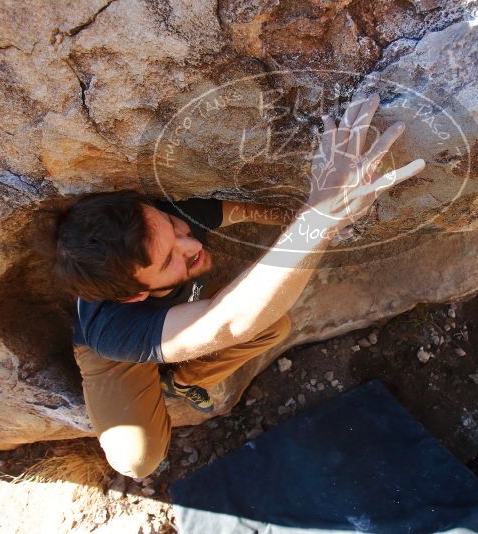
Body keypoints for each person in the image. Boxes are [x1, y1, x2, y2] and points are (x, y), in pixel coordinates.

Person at [50, 93, 425, 478]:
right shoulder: (112, 333)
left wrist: (305, 209)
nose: (192, 244)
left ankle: (182, 380)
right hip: (124, 357)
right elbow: (224, 321)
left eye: (176, 229)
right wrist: (318, 219)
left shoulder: (162, 226)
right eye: (170, 260)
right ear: (135, 294)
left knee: (273, 323)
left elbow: (241, 211)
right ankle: (158, 396)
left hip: (179, 319)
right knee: (136, 461)